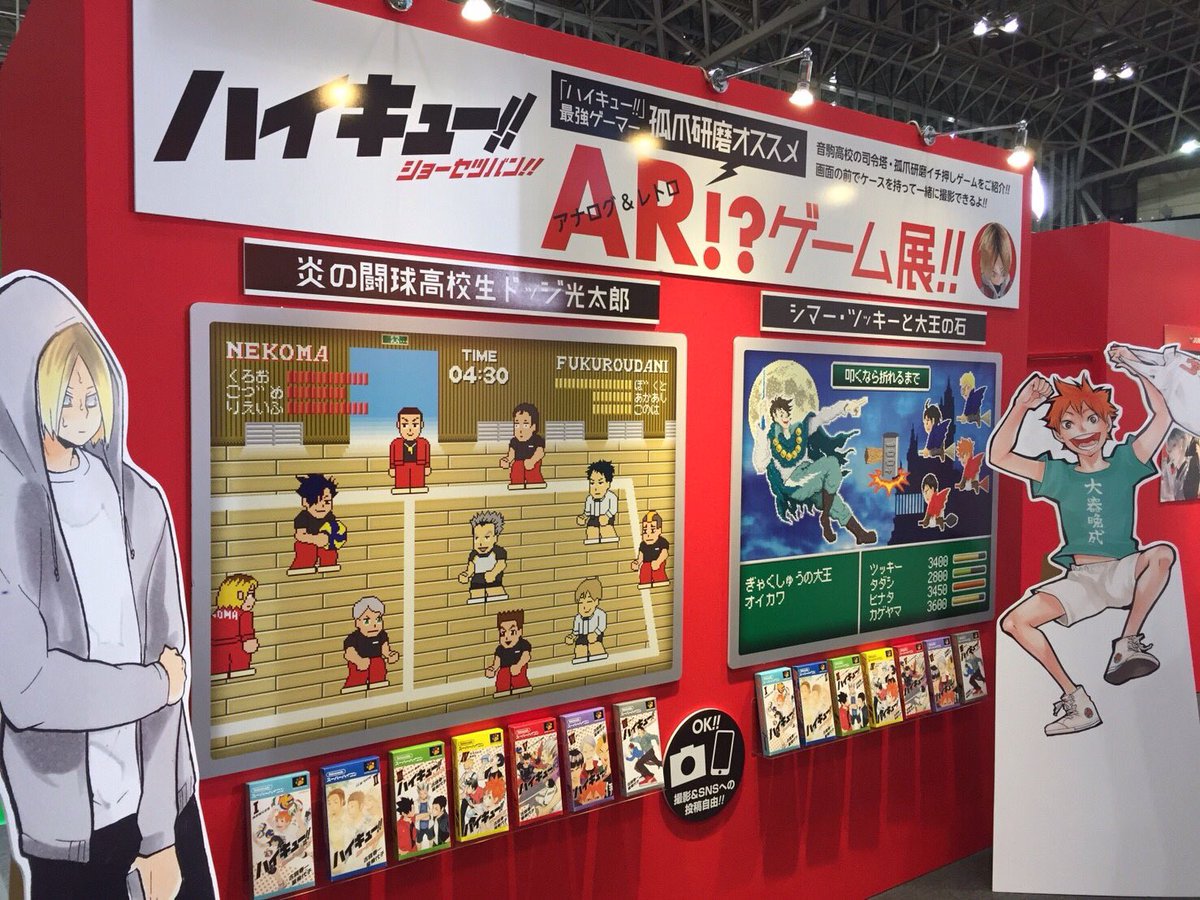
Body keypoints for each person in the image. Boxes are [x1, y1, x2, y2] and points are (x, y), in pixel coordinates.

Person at [0, 274, 214, 898]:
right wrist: (150, 685)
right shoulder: (9, 515)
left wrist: (159, 834)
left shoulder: (140, 501)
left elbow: (175, 670)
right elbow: (30, 690)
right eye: (61, 387)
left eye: (89, 383)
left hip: (161, 806)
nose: (81, 401)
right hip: (65, 835)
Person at [992, 351, 1175, 735]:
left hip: (1123, 571)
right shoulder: (1058, 474)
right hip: (1081, 581)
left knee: (1162, 555)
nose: (1083, 431)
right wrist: (1022, 405)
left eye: (1092, 419)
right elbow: (999, 455)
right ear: (1060, 435)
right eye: (1069, 424)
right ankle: (1077, 700)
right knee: (1015, 622)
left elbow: (1162, 416)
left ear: (1108, 424)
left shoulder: (1126, 461)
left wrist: (1136, 367)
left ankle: (1127, 643)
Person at [760, 395, 877, 544]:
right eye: (779, 414)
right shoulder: (770, 439)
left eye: (785, 413)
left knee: (836, 504)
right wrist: (761, 432)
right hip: (793, 485)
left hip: (809, 475)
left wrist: (846, 407)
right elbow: (760, 464)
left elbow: (822, 416)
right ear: (774, 417)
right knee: (831, 464)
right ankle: (825, 517)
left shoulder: (799, 431)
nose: (784, 417)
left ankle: (860, 534)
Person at [288, 473, 346, 575]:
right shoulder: (303, 517)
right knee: (307, 550)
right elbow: (299, 535)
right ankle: (302, 565)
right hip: (307, 541)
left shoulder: (329, 516)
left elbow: (335, 530)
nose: (322, 506)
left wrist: (329, 539)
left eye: (327, 501)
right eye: (315, 501)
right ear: (305, 502)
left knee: (330, 550)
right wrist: (315, 539)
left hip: (324, 542)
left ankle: (329, 564)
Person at [341, 596, 399, 692]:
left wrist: (390, 655)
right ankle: (355, 688)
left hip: (376, 663)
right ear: (357, 622)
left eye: (378, 619)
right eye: (367, 621)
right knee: (358, 675)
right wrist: (358, 661)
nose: (374, 625)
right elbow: (349, 653)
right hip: (359, 664)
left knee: (378, 664)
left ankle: (378, 684)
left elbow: (385, 650)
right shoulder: (354, 638)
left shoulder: (381, 635)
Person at [211, 573, 260, 679]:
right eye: (249, 594)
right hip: (238, 657)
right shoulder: (244, 615)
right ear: (238, 595)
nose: (252, 599)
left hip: (217, 659)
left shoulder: (216, 614)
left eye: (252, 595)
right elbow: (248, 643)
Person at [457, 510, 509, 603]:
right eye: (476, 538)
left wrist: (493, 573)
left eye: (486, 537)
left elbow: (501, 564)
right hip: (477, 581)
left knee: (498, 596)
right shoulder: (473, 554)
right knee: (476, 598)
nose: (481, 543)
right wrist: (466, 575)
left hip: (494, 582)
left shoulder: (498, 551)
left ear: (495, 538)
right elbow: (471, 568)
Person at [484, 609, 533, 697]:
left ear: (519, 632)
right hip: (504, 670)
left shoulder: (522, 644)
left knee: (518, 677)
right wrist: (492, 670)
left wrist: (518, 665)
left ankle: (522, 689)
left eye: (512, 632)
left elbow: (526, 656)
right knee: (502, 676)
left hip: (518, 669)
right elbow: (497, 663)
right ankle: (502, 691)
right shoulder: (500, 649)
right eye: (503, 633)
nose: (507, 637)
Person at [500, 402, 546, 489]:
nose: (520, 429)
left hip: (532, 468)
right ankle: (516, 485)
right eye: (517, 425)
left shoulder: (536, 440)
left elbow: (540, 452)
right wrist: (507, 461)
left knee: (532, 473)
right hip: (518, 470)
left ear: (533, 427)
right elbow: (511, 455)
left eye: (525, 425)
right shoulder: (514, 441)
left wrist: (532, 460)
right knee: (517, 467)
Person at [564, 577, 608, 663]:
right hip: (582, 637)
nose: (584, 607)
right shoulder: (578, 618)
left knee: (595, 646)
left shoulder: (600, 614)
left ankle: (599, 662)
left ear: (596, 602)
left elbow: (602, 625)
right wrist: (571, 637)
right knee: (580, 649)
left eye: (589, 602)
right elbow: (575, 632)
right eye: (581, 603)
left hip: (595, 636)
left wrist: (596, 633)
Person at [388, 406, 431, 494]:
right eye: (405, 425)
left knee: (417, 480)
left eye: (415, 425)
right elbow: (392, 456)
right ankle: (401, 488)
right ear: (398, 425)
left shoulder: (424, 443)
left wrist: (427, 466)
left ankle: (418, 488)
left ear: (421, 425)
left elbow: (426, 455)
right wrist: (392, 467)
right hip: (400, 466)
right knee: (402, 480)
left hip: (419, 465)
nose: (410, 429)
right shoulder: (395, 443)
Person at [577, 459, 619, 544]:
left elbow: (613, 509)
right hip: (593, 518)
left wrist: (607, 516)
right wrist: (583, 517)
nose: (596, 488)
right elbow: (587, 512)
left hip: (606, 518)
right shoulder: (589, 499)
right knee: (591, 530)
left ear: (608, 483)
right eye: (592, 483)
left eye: (600, 483)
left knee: (606, 529)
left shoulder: (611, 497)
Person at [631, 511, 671, 587]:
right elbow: (640, 557)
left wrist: (658, 562)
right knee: (644, 570)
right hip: (646, 567)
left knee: (658, 573)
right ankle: (644, 584)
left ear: (659, 530)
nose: (648, 534)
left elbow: (665, 553)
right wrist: (637, 563)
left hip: (657, 566)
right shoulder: (643, 545)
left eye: (652, 530)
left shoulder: (662, 542)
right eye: (645, 531)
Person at [1160, 427, 1199, 501]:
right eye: (1169, 451)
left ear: (1182, 442)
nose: (1171, 454)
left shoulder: (1192, 466)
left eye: (1174, 446)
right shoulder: (1174, 471)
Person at [977, 222, 1014, 299]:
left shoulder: (1015, 291)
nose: (998, 280)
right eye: (993, 273)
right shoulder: (977, 294)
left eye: (1002, 272)